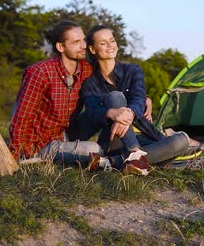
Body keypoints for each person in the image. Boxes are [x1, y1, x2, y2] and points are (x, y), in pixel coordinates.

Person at [9, 20, 149, 171]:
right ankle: (119, 159)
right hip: (41, 142)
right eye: (76, 42)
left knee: (109, 105)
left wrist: (145, 99)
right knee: (95, 149)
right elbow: (22, 116)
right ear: (61, 47)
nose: (83, 45)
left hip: (68, 132)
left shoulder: (86, 70)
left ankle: (134, 154)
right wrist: (14, 154)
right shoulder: (40, 72)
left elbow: (112, 90)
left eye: (83, 40)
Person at [78, 25, 191, 175]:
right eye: (103, 43)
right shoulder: (90, 83)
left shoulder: (133, 70)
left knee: (182, 140)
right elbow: (92, 112)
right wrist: (112, 113)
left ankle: (113, 162)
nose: (110, 45)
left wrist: (128, 114)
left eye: (112, 40)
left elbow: (139, 97)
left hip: (143, 135)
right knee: (115, 97)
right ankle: (137, 154)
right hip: (112, 140)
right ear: (92, 50)